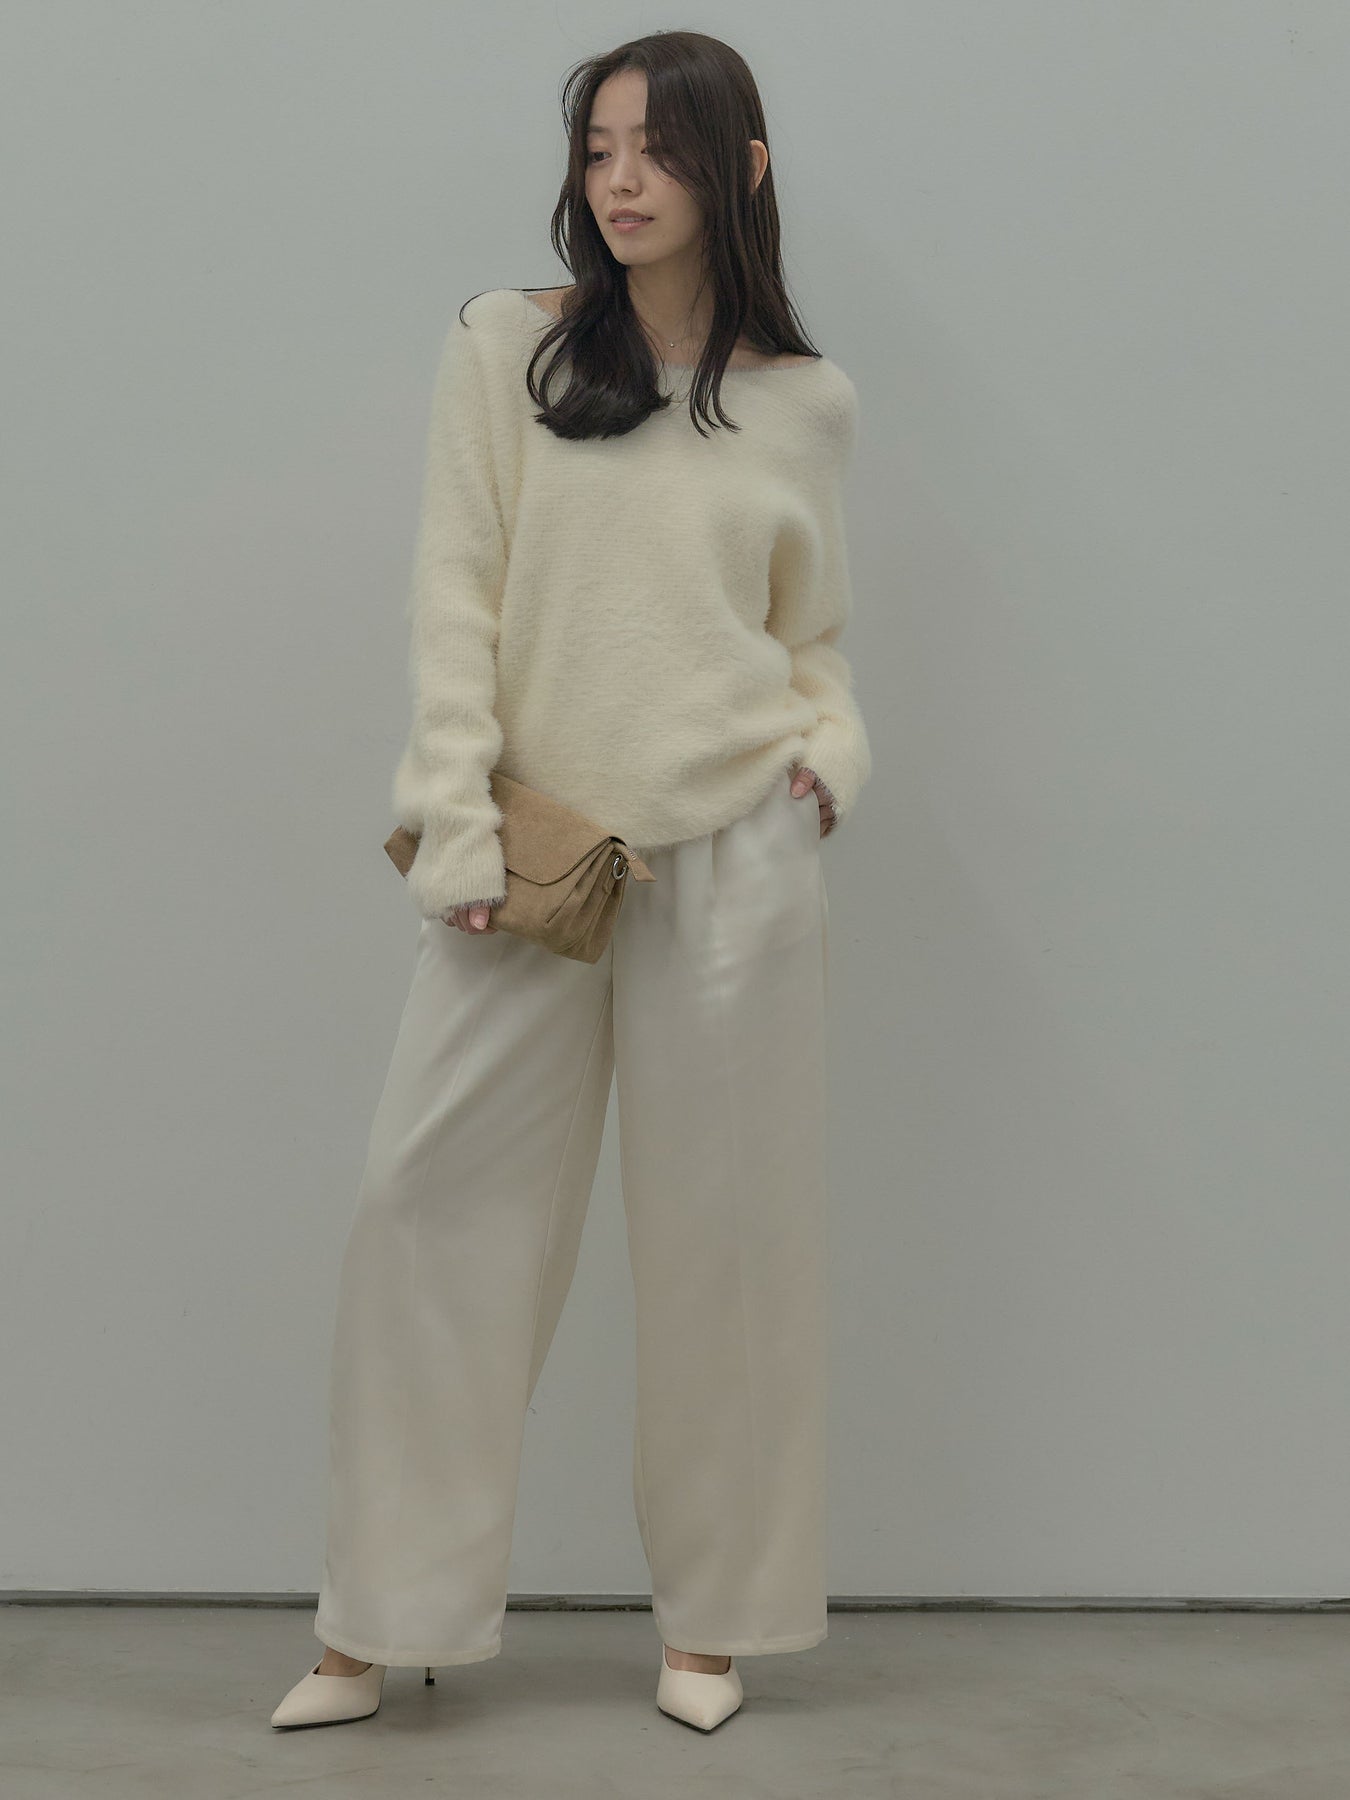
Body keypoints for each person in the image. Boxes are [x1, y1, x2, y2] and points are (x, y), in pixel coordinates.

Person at [271, 27, 871, 1735]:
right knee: (423, 1213)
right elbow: (453, 597)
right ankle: (373, 1619)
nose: (618, 181)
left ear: (737, 171)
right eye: (596, 148)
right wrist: (452, 823)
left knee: (729, 1250)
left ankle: (714, 1622)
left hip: (736, 852)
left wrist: (829, 758)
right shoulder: (506, 347)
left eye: (655, 150)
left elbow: (811, 638)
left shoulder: (805, 399)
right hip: (537, 856)